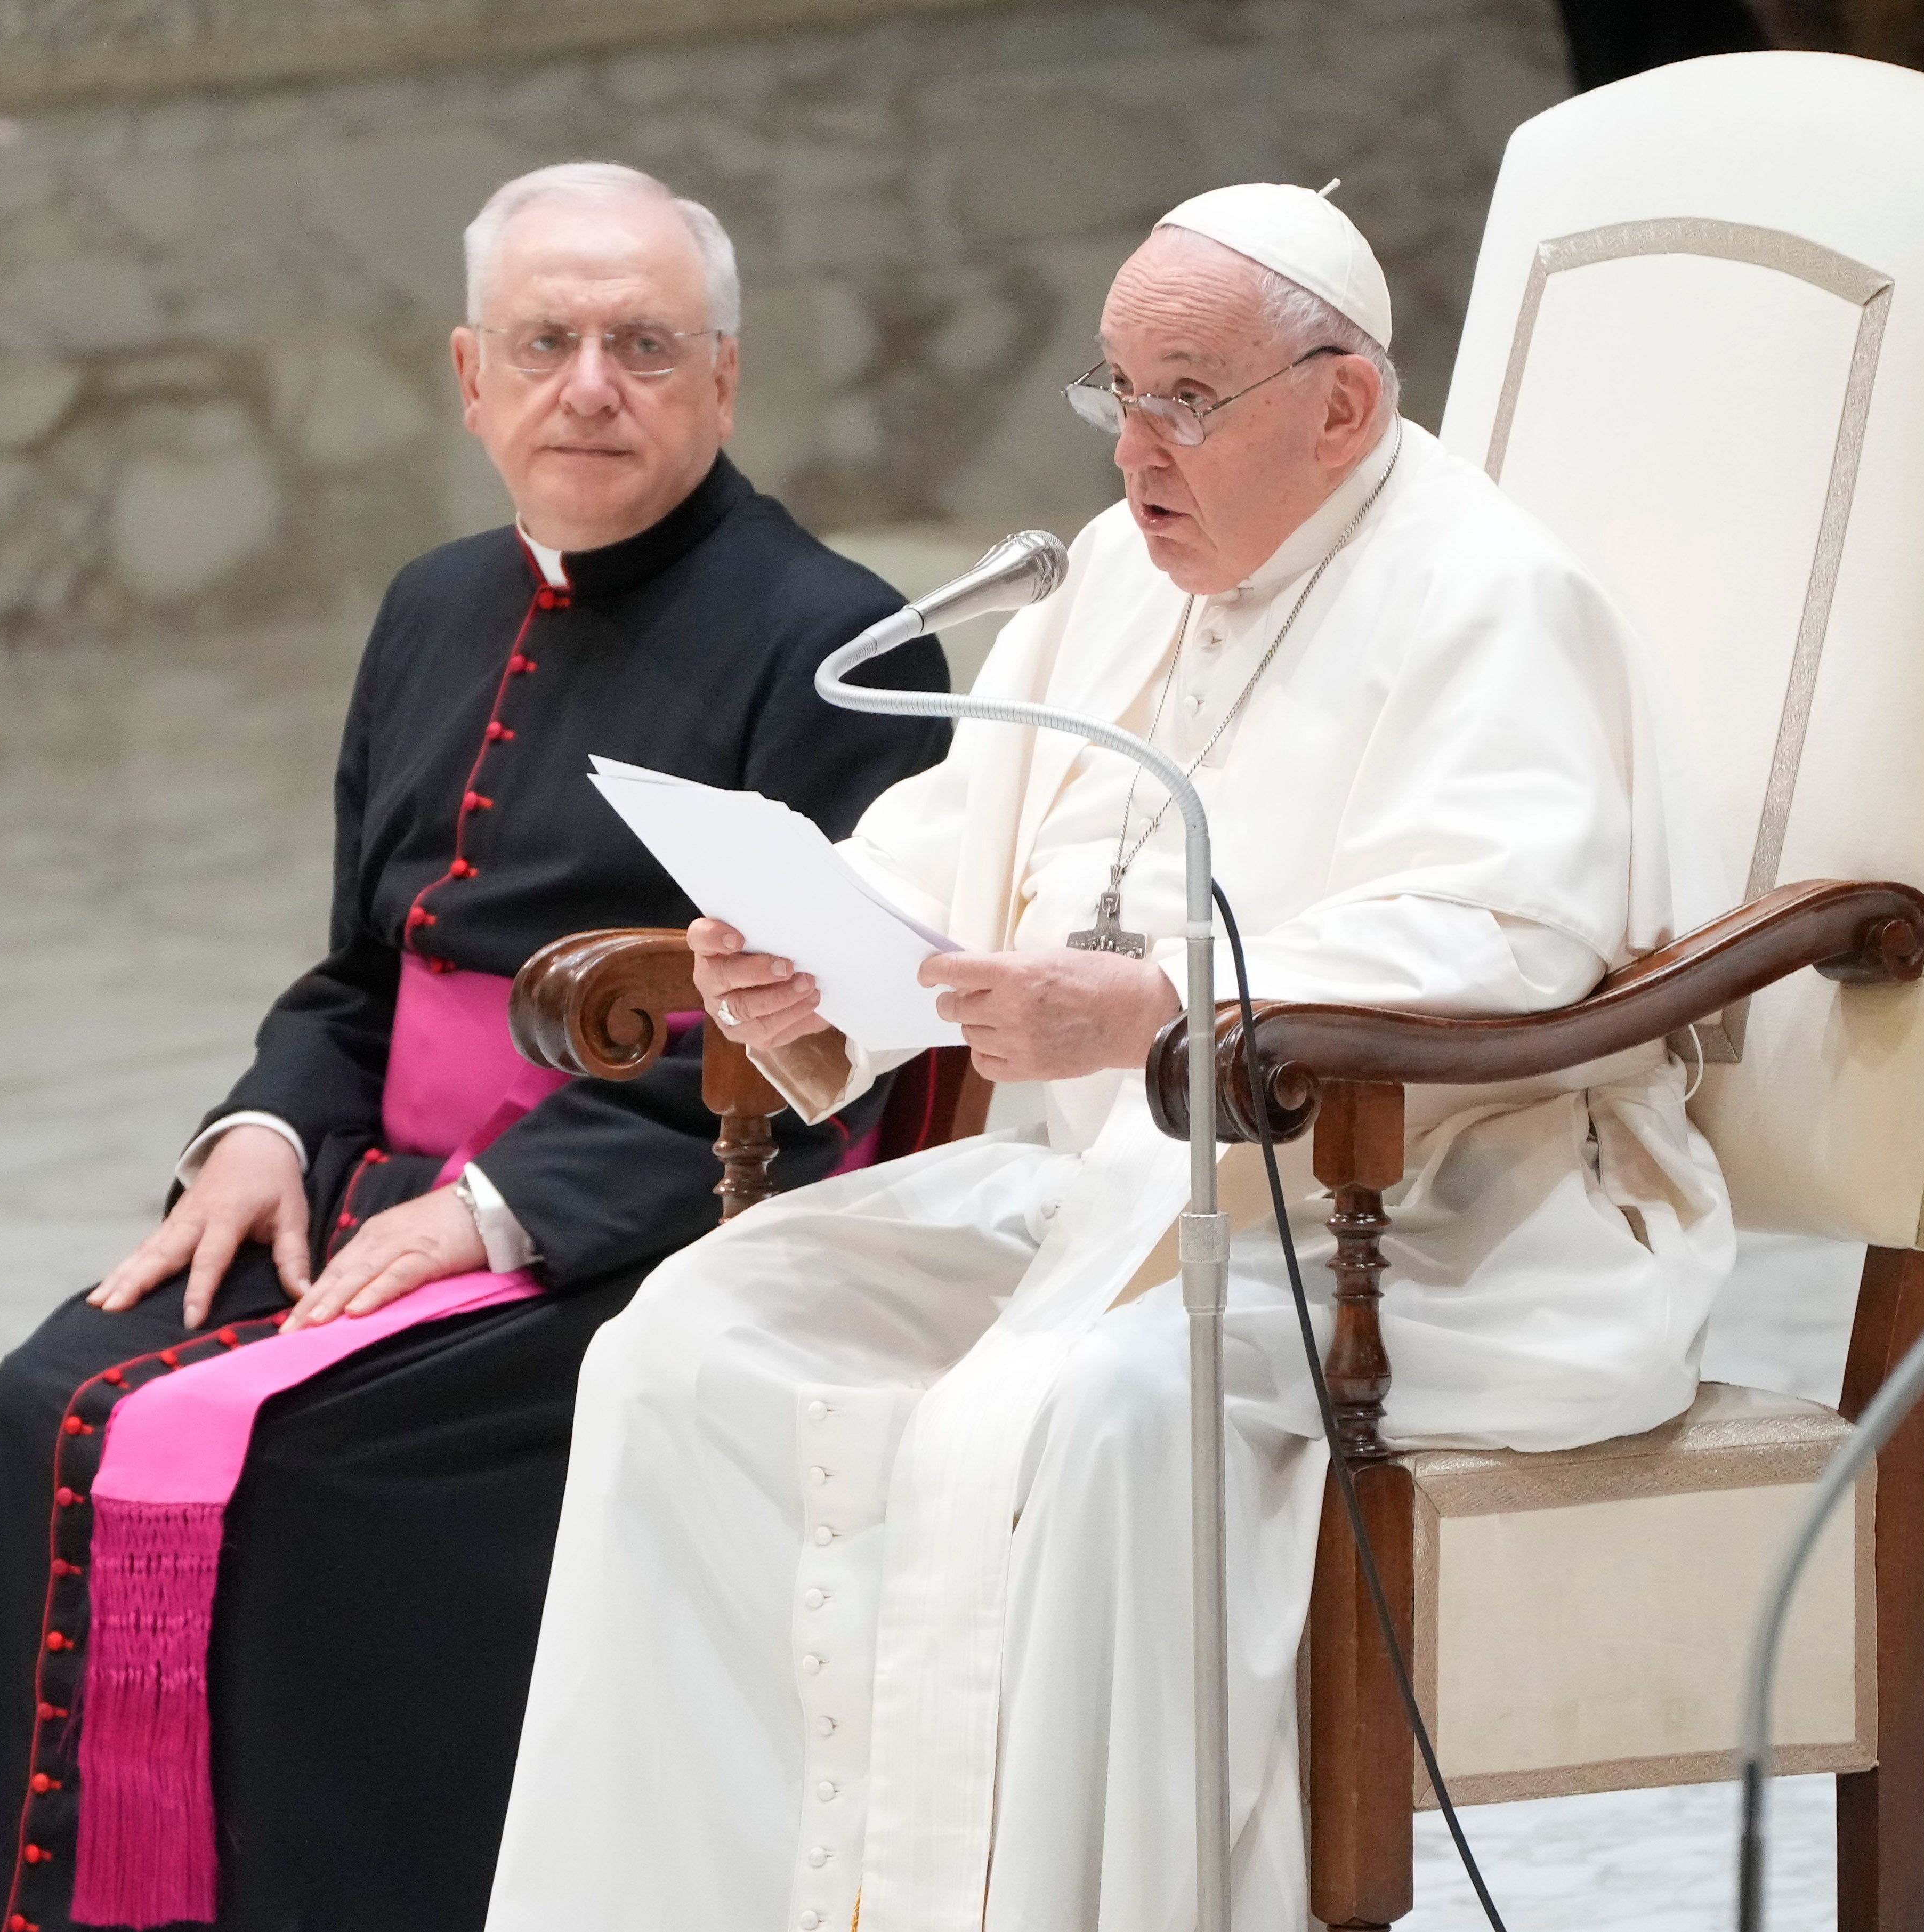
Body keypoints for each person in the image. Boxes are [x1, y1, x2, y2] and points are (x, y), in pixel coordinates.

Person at [487, 183, 1734, 1932]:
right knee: (686, 1345)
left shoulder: (1490, 597)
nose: (1137, 448)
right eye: (1116, 395)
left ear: (1342, 407)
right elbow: (956, 840)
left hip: (1417, 1227)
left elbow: (1498, 948)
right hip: (1107, 1199)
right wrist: (815, 946)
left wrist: (1156, 1015)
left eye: (1184, 400)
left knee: (1086, 1417)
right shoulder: (1122, 581)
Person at [0, 163, 950, 1932]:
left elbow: (835, 1056)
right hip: (364, 1190)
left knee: (302, 1457)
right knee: (52, 1395)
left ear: (724, 380)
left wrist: (497, 1206)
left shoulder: (834, 643)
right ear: (469, 375)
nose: (593, 383)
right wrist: (262, 1130)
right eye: (548, 341)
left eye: (646, 345)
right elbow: (363, 972)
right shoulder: (433, 604)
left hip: (645, 1222)